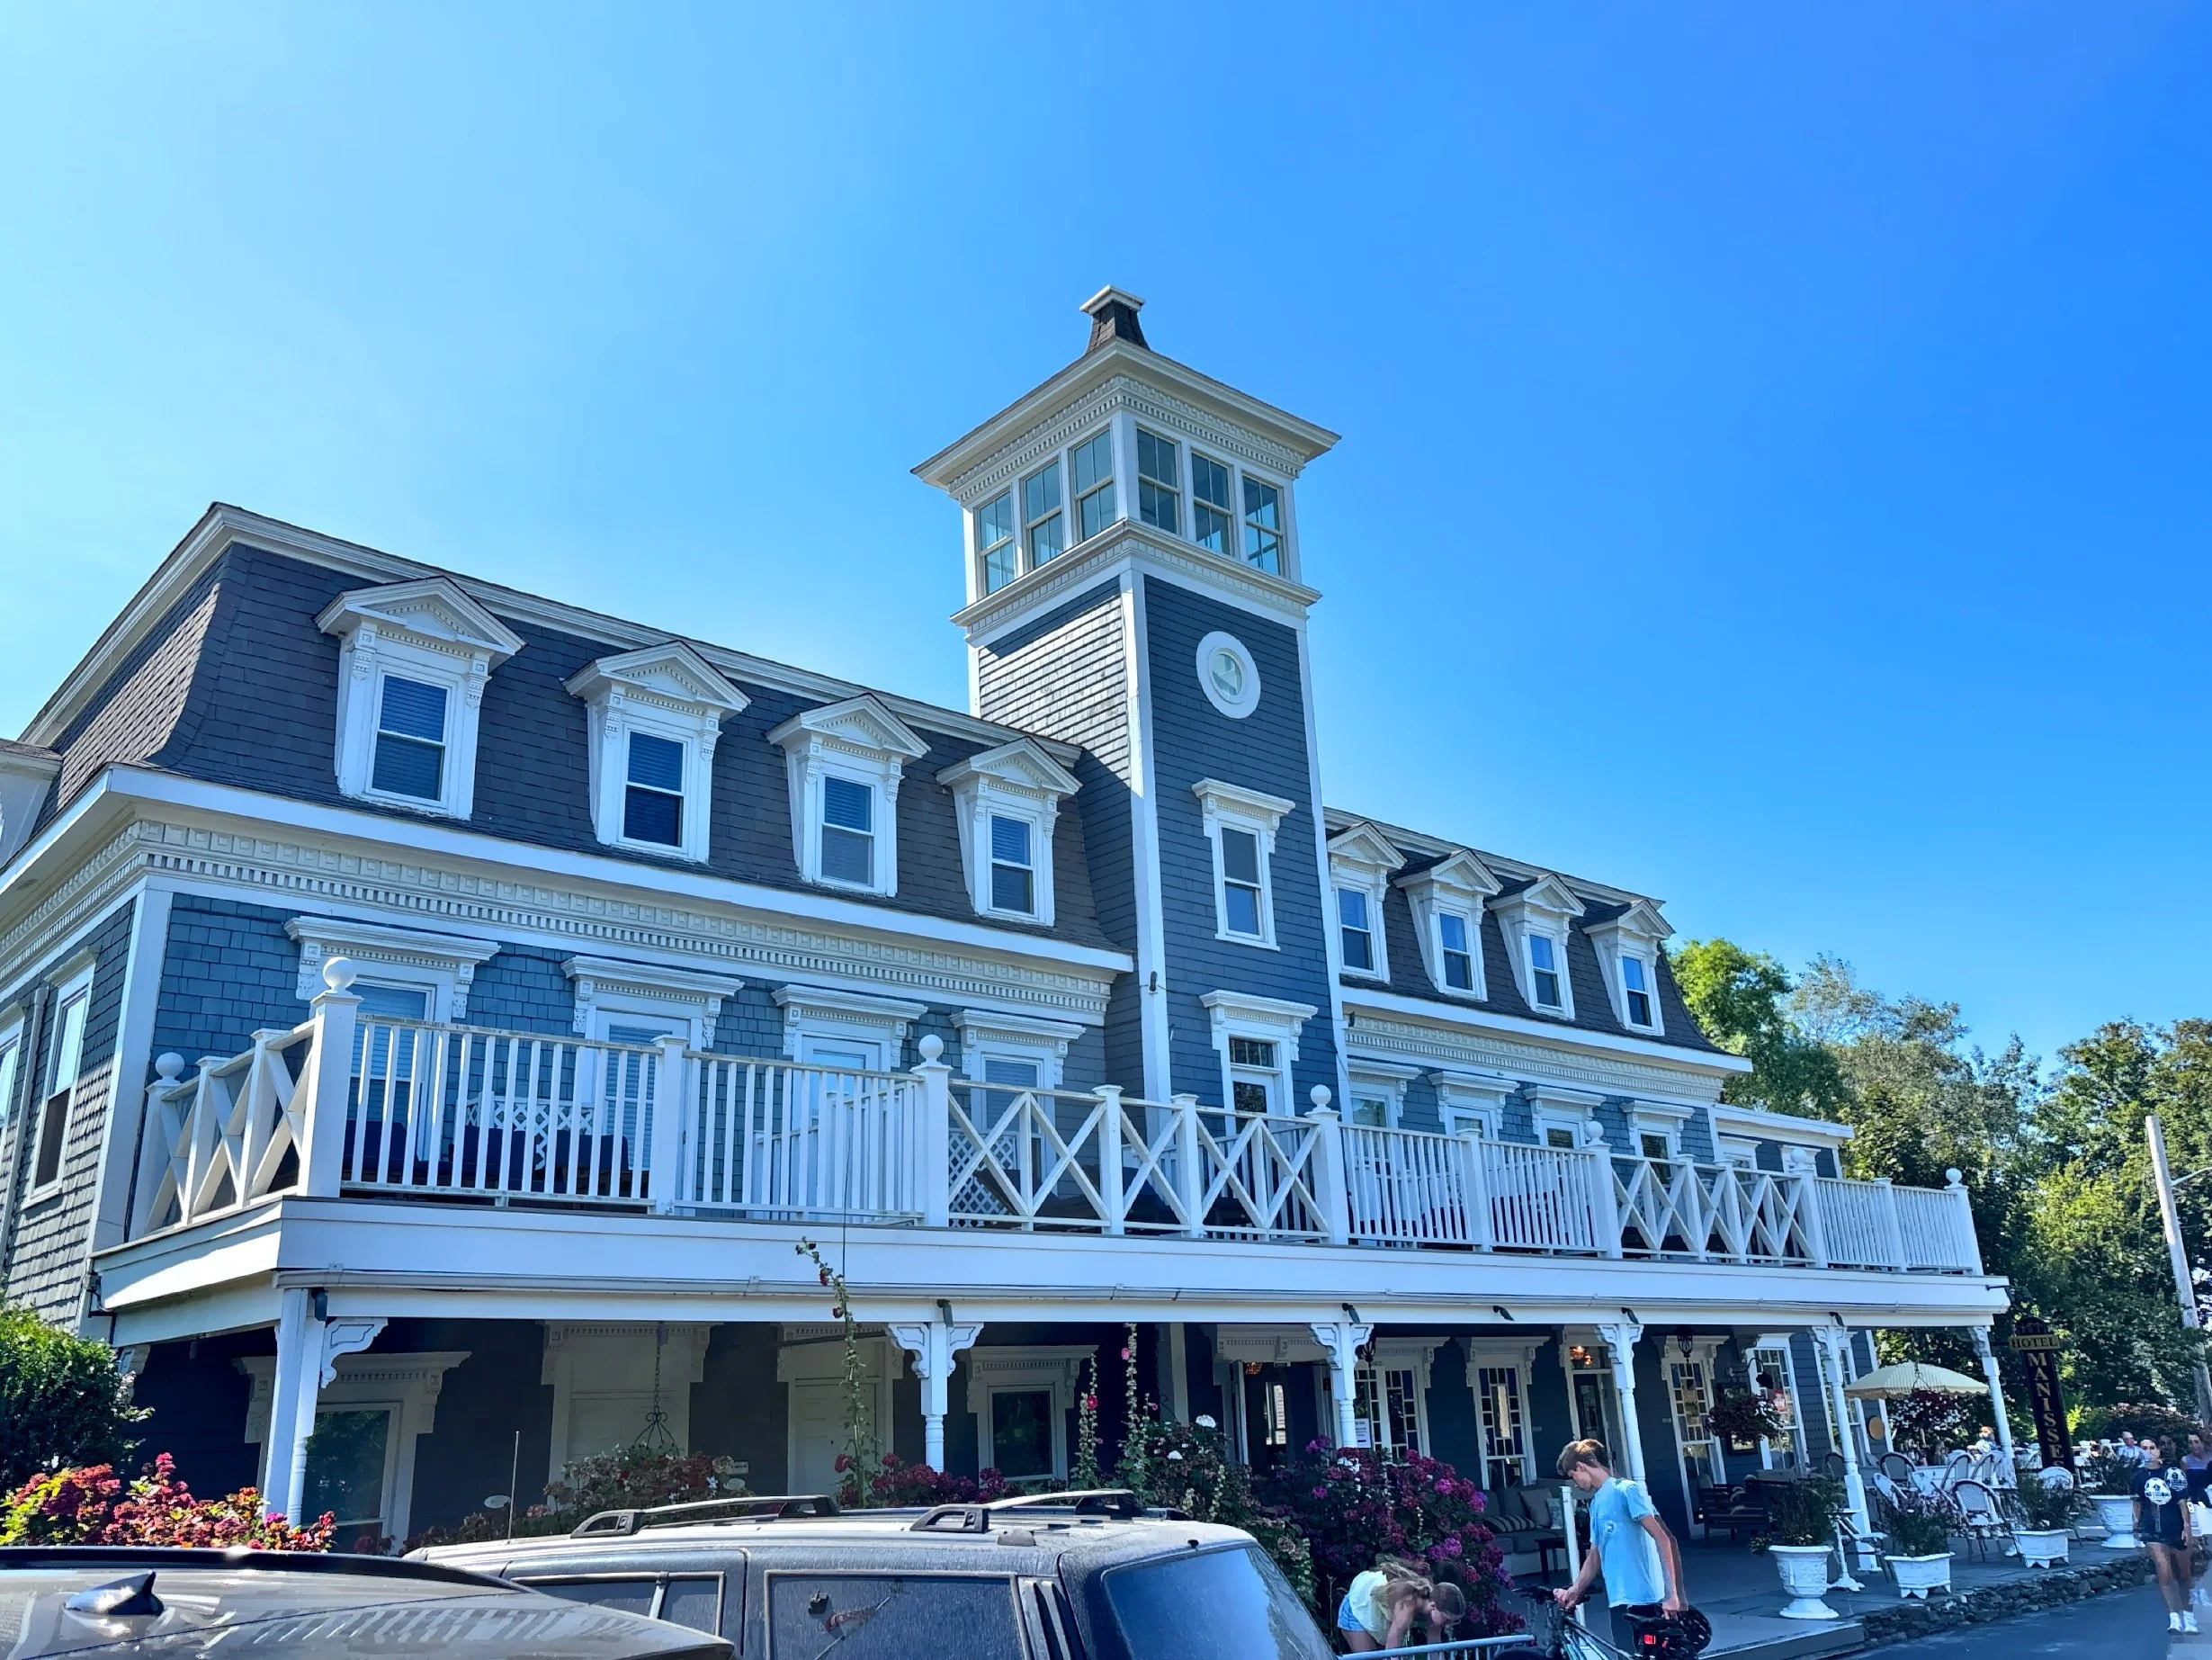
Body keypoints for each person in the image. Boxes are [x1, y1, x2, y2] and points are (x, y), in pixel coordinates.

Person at [1551, 1440, 1688, 1653]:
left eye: (1572, 1476)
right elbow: (1595, 1555)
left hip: (1645, 1600)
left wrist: (1672, 1595)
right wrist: (1575, 1590)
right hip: (1619, 1602)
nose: (1575, 1483)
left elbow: (1663, 1539)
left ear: (1581, 1466)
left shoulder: (1627, 1490)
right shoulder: (1595, 1504)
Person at [1336, 1557, 1467, 1653]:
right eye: (1447, 1620)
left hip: (1377, 1616)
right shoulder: (1407, 1605)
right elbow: (1393, 1652)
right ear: (1433, 1606)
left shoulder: (1435, 1609)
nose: (1448, 1625)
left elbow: (1434, 1651)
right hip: (1357, 1608)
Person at [2136, 1435, 2197, 1634]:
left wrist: (2187, 1527)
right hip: (2152, 1529)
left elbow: (2182, 1502)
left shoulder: (2172, 1474)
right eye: (2144, 1448)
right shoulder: (2138, 1477)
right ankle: (2173, 1617)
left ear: (2158, 1451)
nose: (2148, 1451)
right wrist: (2136, 1524)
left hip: (2175, 1527)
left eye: (2152, 1447)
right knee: (2164, 1571)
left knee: (2184, 1575)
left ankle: (2188, 1615)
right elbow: (2137, 1502)